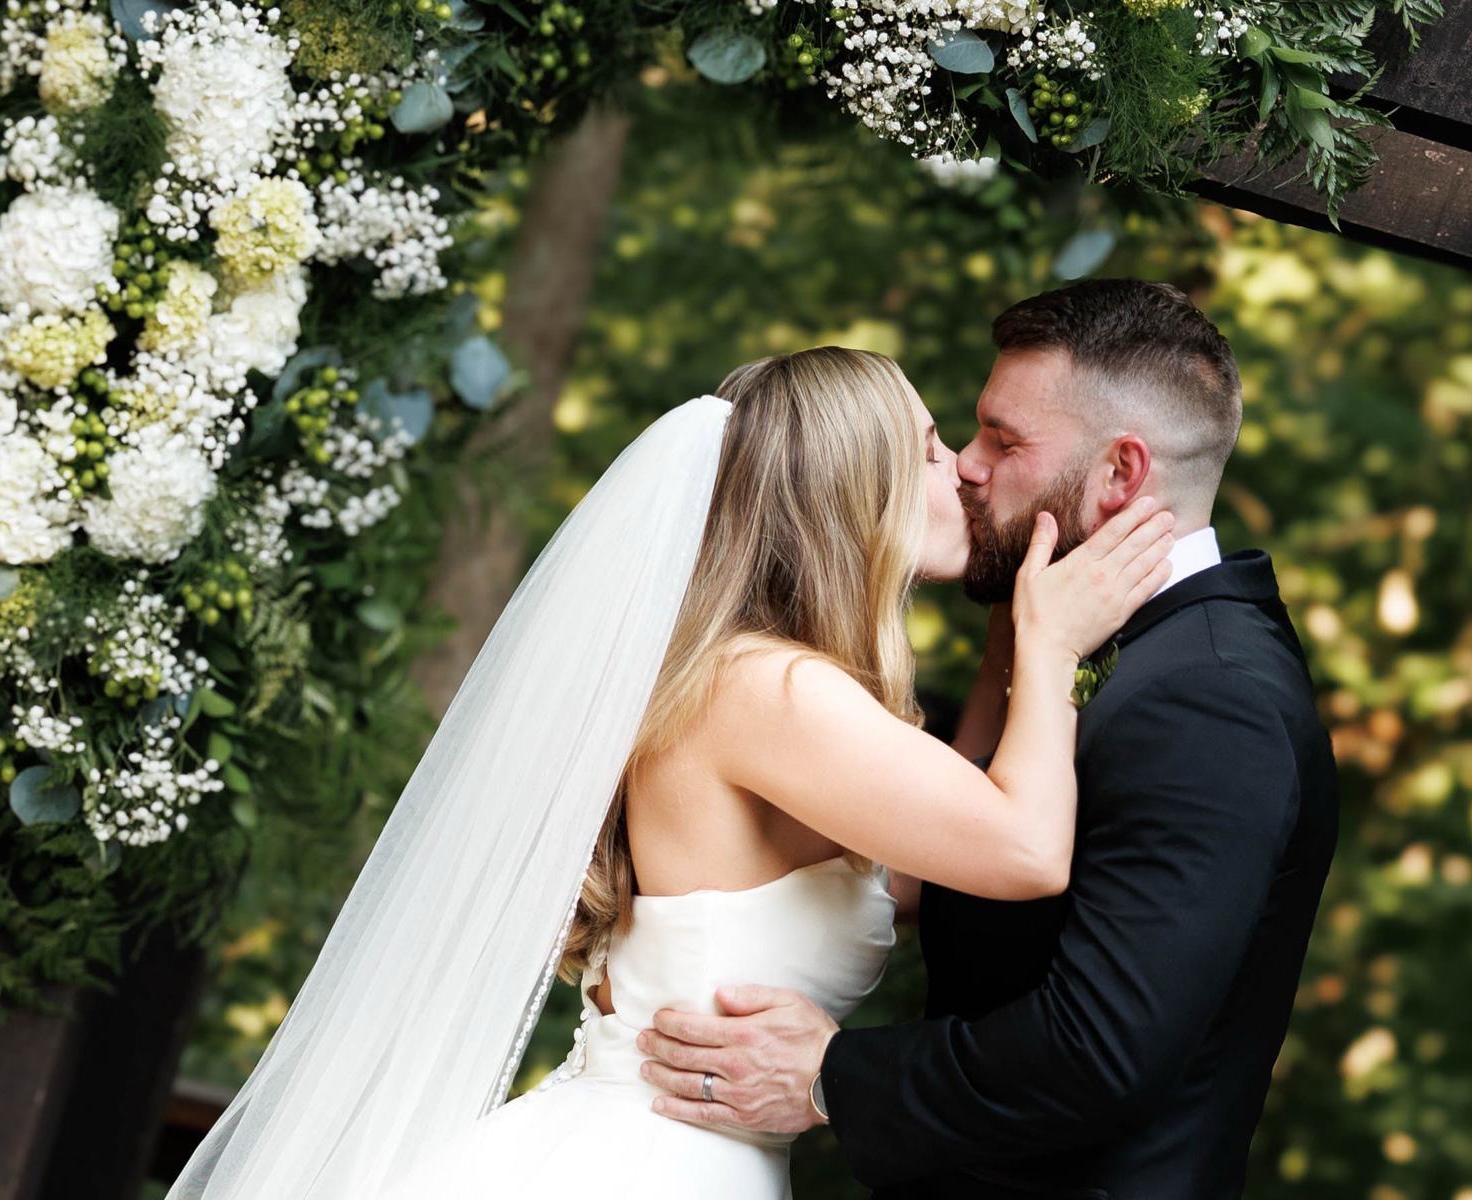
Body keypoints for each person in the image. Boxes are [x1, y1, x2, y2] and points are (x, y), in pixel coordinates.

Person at [167, 344, 1173, 1200]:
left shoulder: (752, 680)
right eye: (925, 447)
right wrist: (1049, 649)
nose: (960, 470)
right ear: (854, 489)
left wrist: (1009, 644)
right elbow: (1027, 850)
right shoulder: (769, 689)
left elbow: (916, 868)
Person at [636, 279, 1341, 1200]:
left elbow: (1101, 1049)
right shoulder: (1077, 645)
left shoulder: (1211, 697)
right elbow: (953, 873)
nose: (968, 466)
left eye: (1004, 442)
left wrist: (828, 1078)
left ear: (1121, 475)